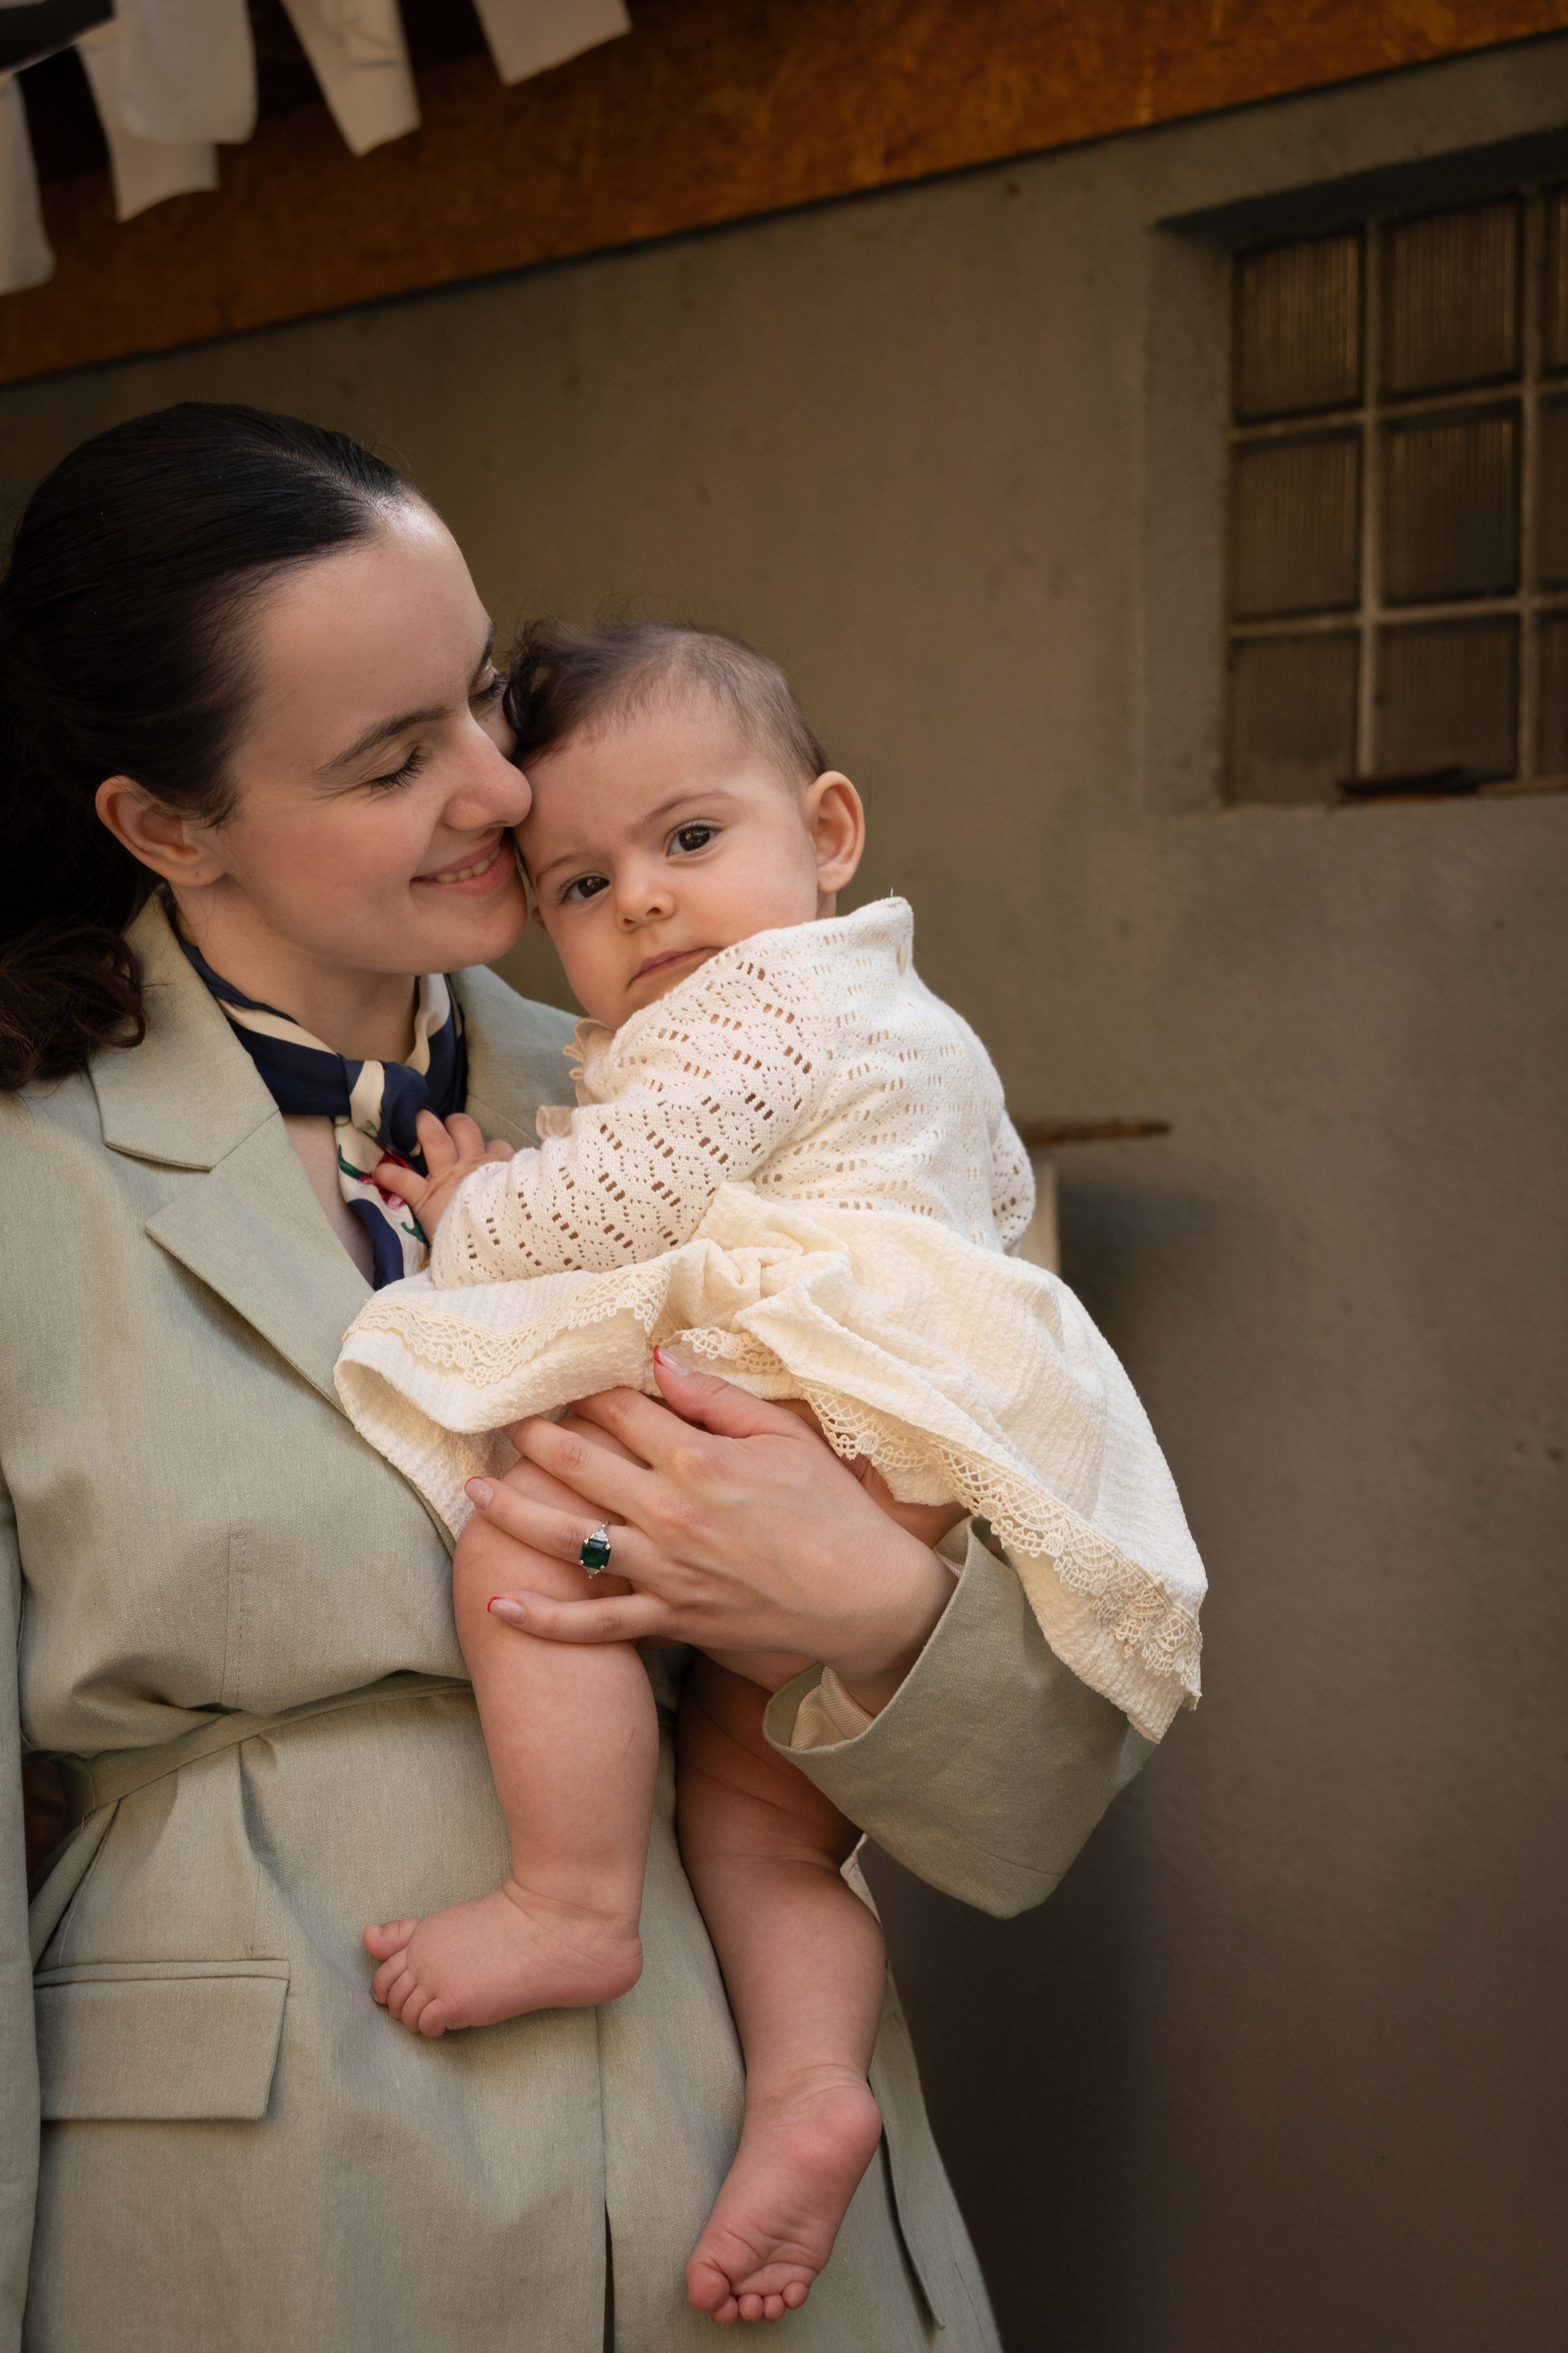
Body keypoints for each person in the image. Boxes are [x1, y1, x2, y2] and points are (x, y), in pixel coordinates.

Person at [0, 402, 1152, 2353]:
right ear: (165, 823)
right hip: (261, 2204)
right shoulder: (32, 1176)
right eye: (392, 757)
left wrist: (872, 1602)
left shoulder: (774, 1072)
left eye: (477, 700)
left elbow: (1042, 1773)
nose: (498, 787)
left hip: (741, 2154)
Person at [336, 623, 1207, 2323]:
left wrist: (467, 1215)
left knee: (528, 1539)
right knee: (768, 1836)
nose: (644, 904)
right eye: (580, 882)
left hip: (799, 1416)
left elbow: (603, 1201)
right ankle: (810, 2090)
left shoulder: (750, 1014)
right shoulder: (890, 1009)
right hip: (915, 1433)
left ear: (828, 829)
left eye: (688, 840)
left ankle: (567, 1892)